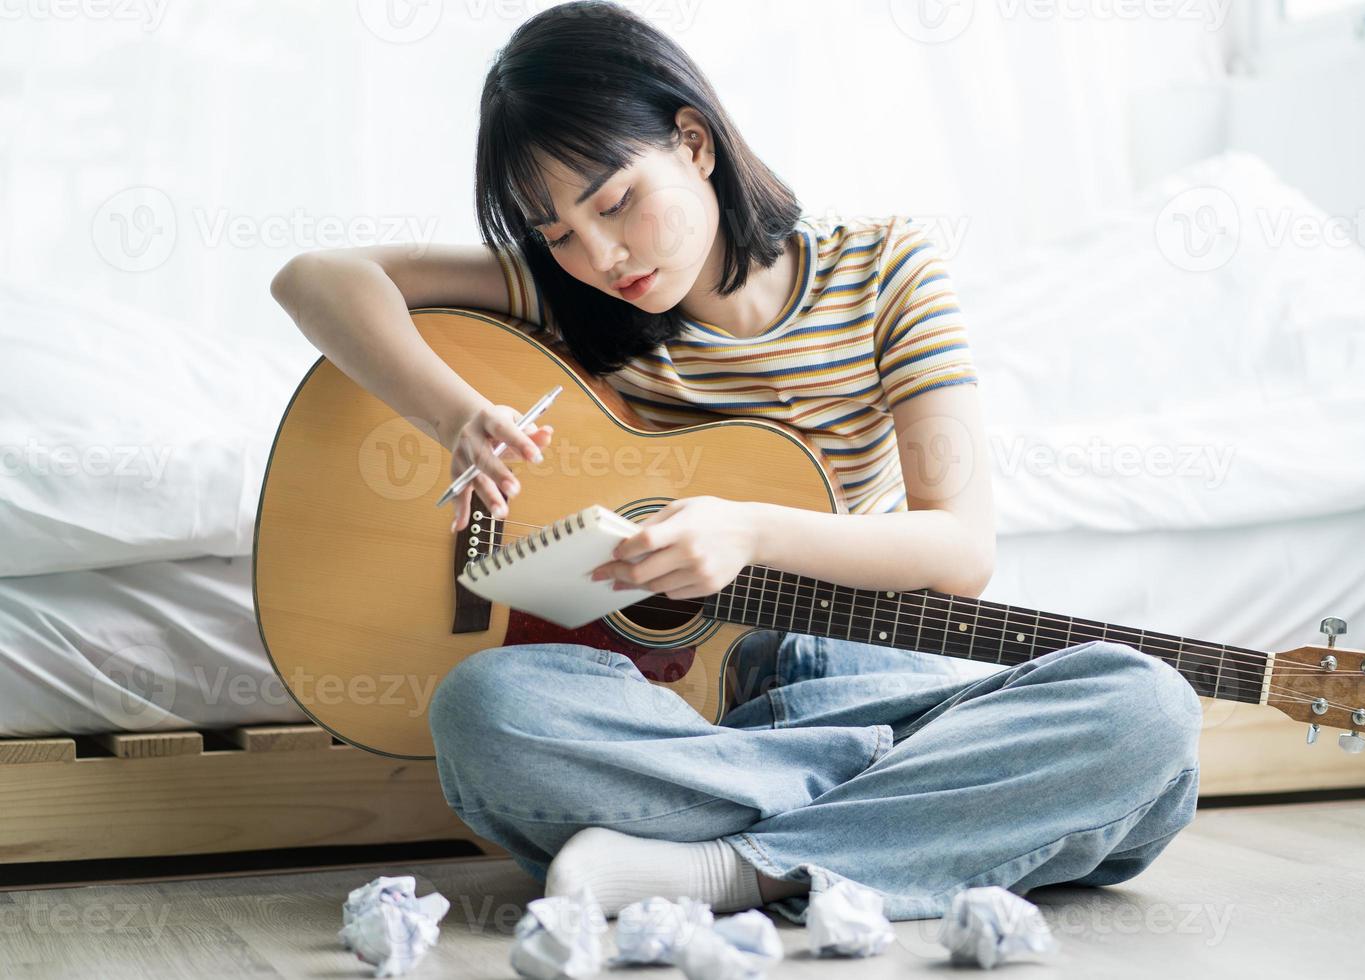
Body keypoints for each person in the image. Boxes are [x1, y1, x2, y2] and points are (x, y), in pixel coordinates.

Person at [269, 0, 1202, 926]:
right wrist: (457, 415)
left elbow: (960, 549)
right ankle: (912, 819)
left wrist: (747, 527)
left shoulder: (886, 270)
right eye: (556, 233)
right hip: (663, 713)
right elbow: (315, 277)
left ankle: (731, 868)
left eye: (615, 201)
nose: (598, 254)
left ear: (694, 143)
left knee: (1145, 709)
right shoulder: (576, 300)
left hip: (853, 666)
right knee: (484, 713)